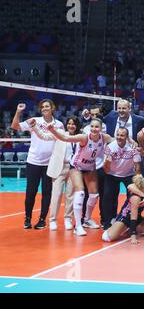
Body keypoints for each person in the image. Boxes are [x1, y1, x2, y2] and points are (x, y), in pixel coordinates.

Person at [46, 118, 114, 236]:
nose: (94, 129)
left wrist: (130, 141)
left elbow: (118, 140)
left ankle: (87, 220)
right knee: (80, 193)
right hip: (77, 166)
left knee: (94, 195)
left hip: (90, 167)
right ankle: (77, 226)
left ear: (101, 128)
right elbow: (65, 138)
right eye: (92, 126)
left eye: (97, 127)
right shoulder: (84, 137)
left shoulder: (104, 137)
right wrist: (53, 130)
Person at [11, 101, 65, 229]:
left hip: (50, 163)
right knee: (31, 192)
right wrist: (19, 112)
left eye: (47, 106)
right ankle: (28, 219)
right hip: (33, 162)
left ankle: (42, 220)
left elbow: (62, 142)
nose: (44, 108)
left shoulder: (59, 125)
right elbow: (15, 126)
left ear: (52, 108)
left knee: (47, 192)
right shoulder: (34, 120)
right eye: (42, 107)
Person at [29, 116, 81, 231]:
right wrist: (34, 126)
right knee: (56, 195)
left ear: (77, 125)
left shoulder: (80, 137)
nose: (71, 126)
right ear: (66, 125)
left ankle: (68, 219)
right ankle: (53, 220)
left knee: (70, 195)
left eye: (73, 124)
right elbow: (44, 136)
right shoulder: (60, 133)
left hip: (74, 168)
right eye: (69, 123)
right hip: (60, 168)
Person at [102, 175, 144, 244]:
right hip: (126, 219)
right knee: (107, 237)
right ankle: (123, 227)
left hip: (137, 218)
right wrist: (133, 236)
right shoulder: (136, 198)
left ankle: (138, 226)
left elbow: (131, 186)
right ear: (142, 189)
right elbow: (133, 218)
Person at [102, 127, 142, 230]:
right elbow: (106, 170)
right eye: (118, 135)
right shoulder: (110, 147)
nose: (119, 137)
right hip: (112, 174)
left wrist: (137, 181)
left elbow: (137, 166)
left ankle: (131, 220)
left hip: (128, 174)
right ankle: (107, 222)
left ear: (127, 137)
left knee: (133, 197)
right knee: (107, 196)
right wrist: (107, 163)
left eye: (122, 135)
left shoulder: (133, 148)